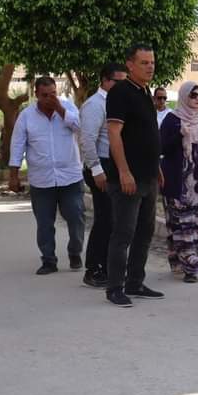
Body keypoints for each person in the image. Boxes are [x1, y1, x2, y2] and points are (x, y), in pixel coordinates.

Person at [104, 43, 165, 308]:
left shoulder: (145, 92)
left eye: (152, 62)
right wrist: (124, 171)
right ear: (130, 65)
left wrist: (156, 168)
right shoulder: (120, 92)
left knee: (145, 231)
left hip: (148, 176)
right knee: (124, 233)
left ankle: (135, 282)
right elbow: (114, 134)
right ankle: (115, 287)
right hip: (128, 178)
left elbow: (146, 133)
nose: (150, 67)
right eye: (144, 62)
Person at [8, 76, 85, 275]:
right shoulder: (26, 116)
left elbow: (80, 128)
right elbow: (17, 146)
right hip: (41, 180)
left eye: (53, 94)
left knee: (76, 217)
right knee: (44, 223)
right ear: (36, 95)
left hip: (70, 177)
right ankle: (49, 260)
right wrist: (13, 175)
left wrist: (60, 109)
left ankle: (75, 252)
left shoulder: (68, 107)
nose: (50, 98)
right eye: (45, 95)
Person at [160, 81, 198, 283]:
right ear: (184, 97)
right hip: (180, 185)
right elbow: (162, 148)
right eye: (193, 95)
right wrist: (179, 135)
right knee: (184, 225)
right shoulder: (172, 120)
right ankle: (191, 268)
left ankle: (179, 261)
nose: (197, 99)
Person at [78, 62, 127, 288]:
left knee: (116, 220)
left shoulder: (119, 103)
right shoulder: (95, 105)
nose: (122, 86)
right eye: (118, 81)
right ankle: (94, 268)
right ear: (105, 81)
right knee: (105, 219)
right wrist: (96, 169)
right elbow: (87, 140)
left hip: (116, 166)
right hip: (101, 166)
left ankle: (109, 267)